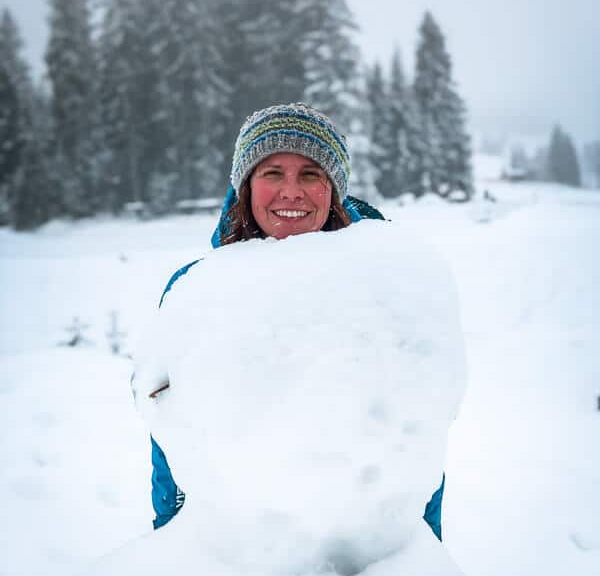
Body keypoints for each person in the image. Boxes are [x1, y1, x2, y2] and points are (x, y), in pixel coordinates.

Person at [145, 102, 446, 539]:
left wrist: (421, 544)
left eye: (310, 174)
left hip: (353, 552)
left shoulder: (384, 282)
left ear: (334, 189)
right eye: (272, 173)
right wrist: (172, 532)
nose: (291, 191)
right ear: (246, 186)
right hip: (238, 549)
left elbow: (415, 440)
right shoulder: (196, 288)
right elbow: (170, 432)